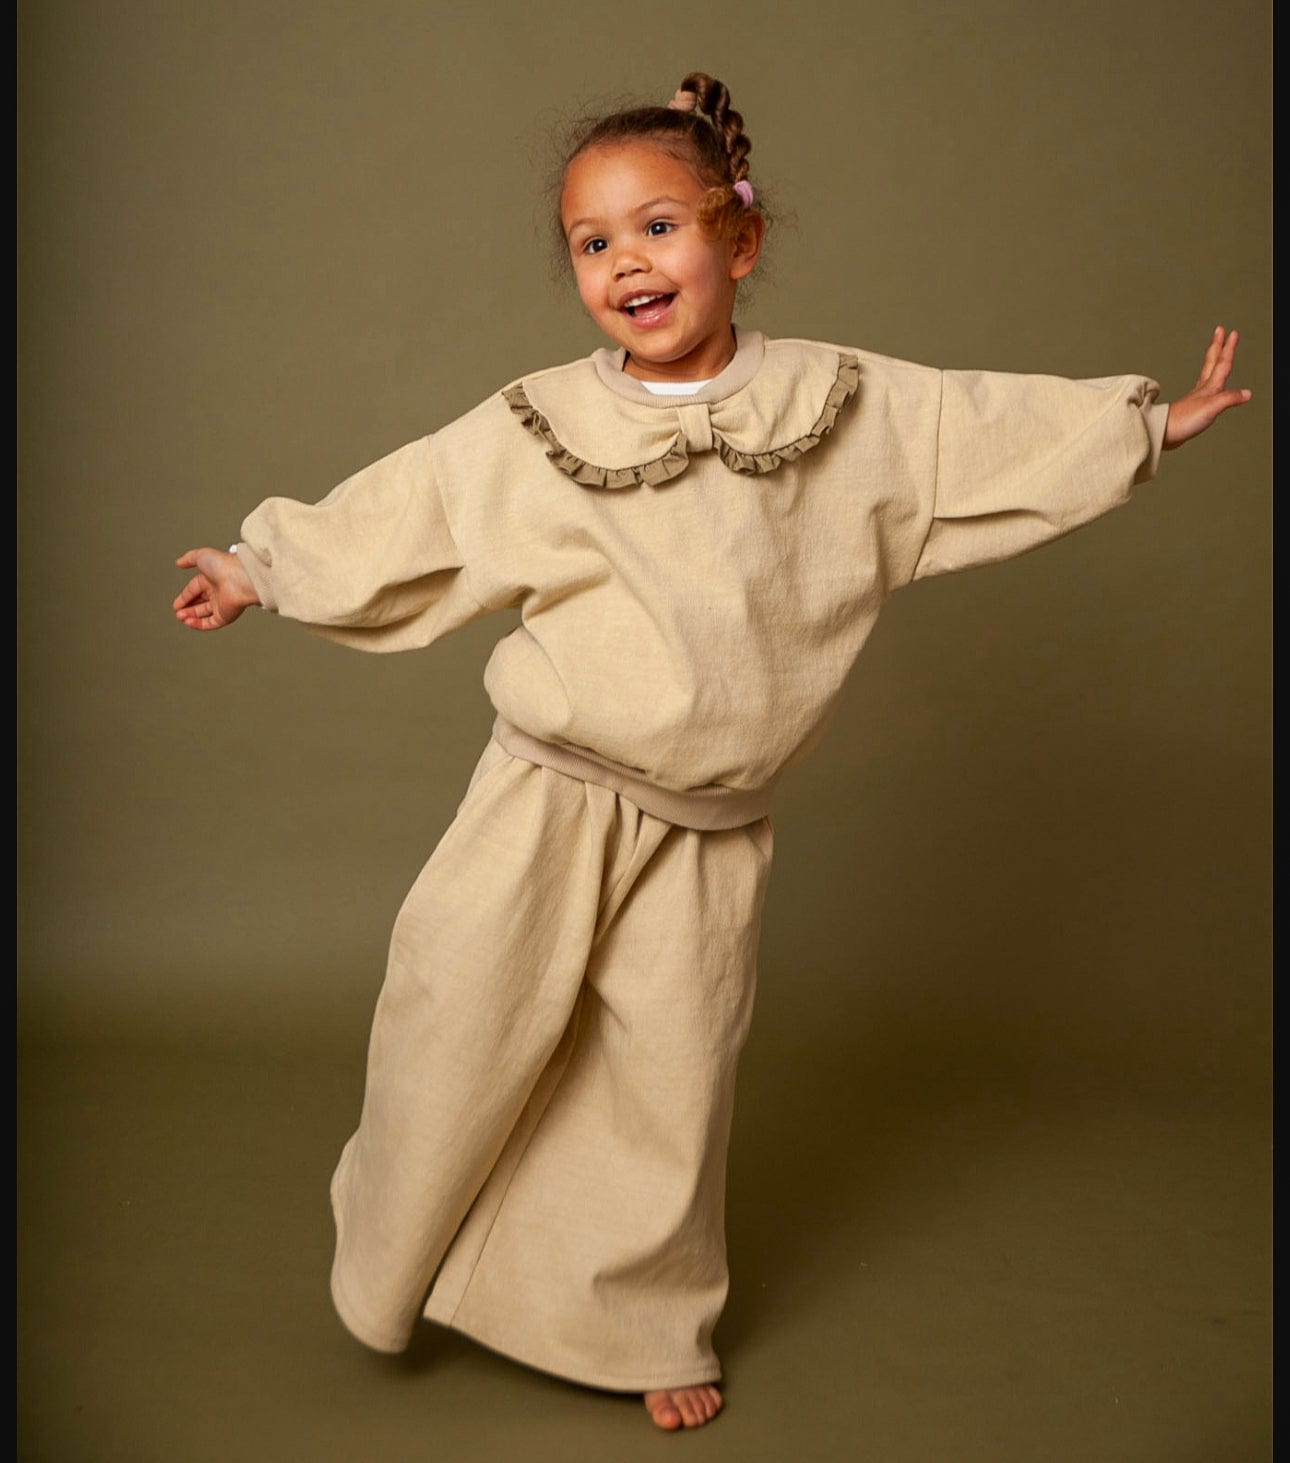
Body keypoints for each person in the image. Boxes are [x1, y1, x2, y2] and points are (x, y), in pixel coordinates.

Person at [172, 72, 1249, 1433]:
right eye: (592, 241)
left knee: (666, 1080)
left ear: (738, 239)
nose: (627, 260)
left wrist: (1139, 428)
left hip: (707, 824)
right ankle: (405, 1246)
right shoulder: (536, 424)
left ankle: (640, 1321)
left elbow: (975, 430)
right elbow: (414, 508)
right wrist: (262, 566)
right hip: (546, 797)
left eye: (659, 227)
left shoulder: (839, 402)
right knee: (455, 1024)